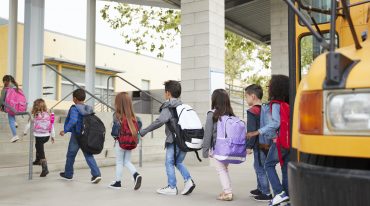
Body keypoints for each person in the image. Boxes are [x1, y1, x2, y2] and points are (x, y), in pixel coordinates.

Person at [139, 80, 195, 196]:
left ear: (168, 93)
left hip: (173, 140)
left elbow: (160, 121)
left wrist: (143, 131)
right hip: (185, 139)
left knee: (169, 162)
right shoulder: (182, 105)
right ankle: (188, 180)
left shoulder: (169, 106)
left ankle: (172, 187)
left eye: (165, 92)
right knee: (178, 161)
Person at [247, 75, 290, 206]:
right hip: (290, 141)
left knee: (268, 165)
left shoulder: (275, 104)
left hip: (280, 141)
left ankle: (279, 192)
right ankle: (286, 196)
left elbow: (275, 123)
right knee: (285, 168)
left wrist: (260, 132)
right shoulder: (288, 104)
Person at [59, 89, 102, 184]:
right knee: (88, 154)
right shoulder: (88, 108)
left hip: (76, 136)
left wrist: (65, 130)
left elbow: (73, 120)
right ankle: (96, 174)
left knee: (70, 155)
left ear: (74, 99)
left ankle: (68, 174)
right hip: (86, 135)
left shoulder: (75, 108)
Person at [202, 89, 236, 201]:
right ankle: (227, 190)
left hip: (218, 147)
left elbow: (207, 133)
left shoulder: (212, 114)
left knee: (220, 170)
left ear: (214, 100)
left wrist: (205, 150)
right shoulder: (231, 114)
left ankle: (227, 192)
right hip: (230, 147)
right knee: (224, 169)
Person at [109, 92, 142, 190]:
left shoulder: (116, 115)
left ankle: (118, 182)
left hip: (120, 143)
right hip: (130, 143)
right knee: (127, 161)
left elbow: (114, 133)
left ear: (118, 103)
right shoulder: (134, 117)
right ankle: (136, 175)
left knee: (119, 162)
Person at [245, 84, 272, 202]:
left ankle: (266, 193)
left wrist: (249, 146)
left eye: (246, 96)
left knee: (260, 168)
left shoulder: (252, 111)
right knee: (259, 166)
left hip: (257, 144)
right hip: (267, 143)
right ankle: (260, 188)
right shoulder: (266, 108)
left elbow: (251, 130)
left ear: (253, 96)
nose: (246, 99)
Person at [24, 99, 55, 177]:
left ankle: (45, 168)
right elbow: (52, 126)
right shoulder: (48, 114)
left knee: (41, 151)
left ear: (35, 106)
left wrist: (24, 132)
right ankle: (38, 160)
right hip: (47, 136)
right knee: (37, 146)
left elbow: (28, 125)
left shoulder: (35, 115)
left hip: (39, 136)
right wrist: (53, 136)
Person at [0, 75, 20, 143]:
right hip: (18, 106)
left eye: (3, 81)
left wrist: (0, 107)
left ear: (5, 81)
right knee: (12, 114)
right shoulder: (16, 87)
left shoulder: (5, 89)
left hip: (9, 107)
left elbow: (1, 100)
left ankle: (15, 135)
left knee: (10, 119)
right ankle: (15, 122)